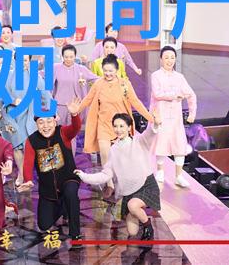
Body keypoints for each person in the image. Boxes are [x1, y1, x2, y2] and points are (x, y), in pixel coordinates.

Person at [75, 113, 161, 242]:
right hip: (128, 191)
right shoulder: (113, 150)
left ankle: (148, 226)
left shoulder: (139, 141)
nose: (118, 129)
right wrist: (84, 176)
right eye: (115, 126)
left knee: (133, 205)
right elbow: (106, 174)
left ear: (129, 127)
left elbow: (150, 134)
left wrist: (155, 124)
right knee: (132, 232)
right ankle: (138, 213)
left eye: (121, 126)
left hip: (145, 185)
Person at [17, 100, 83, 250]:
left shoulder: (62, 132)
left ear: (55, 121)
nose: (45, 126)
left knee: (71, 193)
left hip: (68, 179)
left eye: (49, 121)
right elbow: (28, 163)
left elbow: (76, 128)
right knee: (44, 225)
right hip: (48, 189)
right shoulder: (32, 140)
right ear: (36, 124)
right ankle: (64, 206)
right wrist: (28, 180)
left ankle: (76, 234)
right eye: (41, 122)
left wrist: (74, 115)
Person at [81, 55, 155, 166]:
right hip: (103, 124)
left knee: (122, 159)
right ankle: (108, 177)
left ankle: (120, 176)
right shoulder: (98, 84)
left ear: (116, 70)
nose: (107, 73)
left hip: (121, 126)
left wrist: (151, 118)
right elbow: (88, 99)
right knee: (105, 155)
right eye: (105, 70)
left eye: (110, 71)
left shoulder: (125, 84)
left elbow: (136, 102)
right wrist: (76, 110)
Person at [149, 46, 196, 187]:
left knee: (179, 145)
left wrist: (192, 113)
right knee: (161, 143)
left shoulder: (179, 77)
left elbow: (191, 95)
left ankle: (179, 176)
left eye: (172, 57)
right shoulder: (156, 75)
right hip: (161, 115)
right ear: (161, 59)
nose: (169, 60)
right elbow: (157, 94)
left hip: (175, 117)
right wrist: (175, 95)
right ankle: (160, 171)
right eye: (166, 57)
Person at [5, 54, 50, 185]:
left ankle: (41, 174)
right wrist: (13, 101)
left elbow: (45, 93)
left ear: (29, 61)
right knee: (17, 147)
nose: (22, 62)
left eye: (25, 60)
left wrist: (52, 110)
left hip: (31, 115)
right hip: (14, 116)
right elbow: (2, 94)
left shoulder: (35, 76)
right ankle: (21, 174)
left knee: (34, 145)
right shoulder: (9, 76)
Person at [53, 44, 97, 139]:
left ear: (75, 56)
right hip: (59, 105)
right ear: (62, 56)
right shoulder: (55, 67)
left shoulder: (81, 69)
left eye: (71, 57)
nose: (68, 59)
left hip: (76, 106)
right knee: (57, 132)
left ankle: (71, 149)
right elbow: (41, 75)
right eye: (66, 57)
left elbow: (96, 79)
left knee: (72, 133)